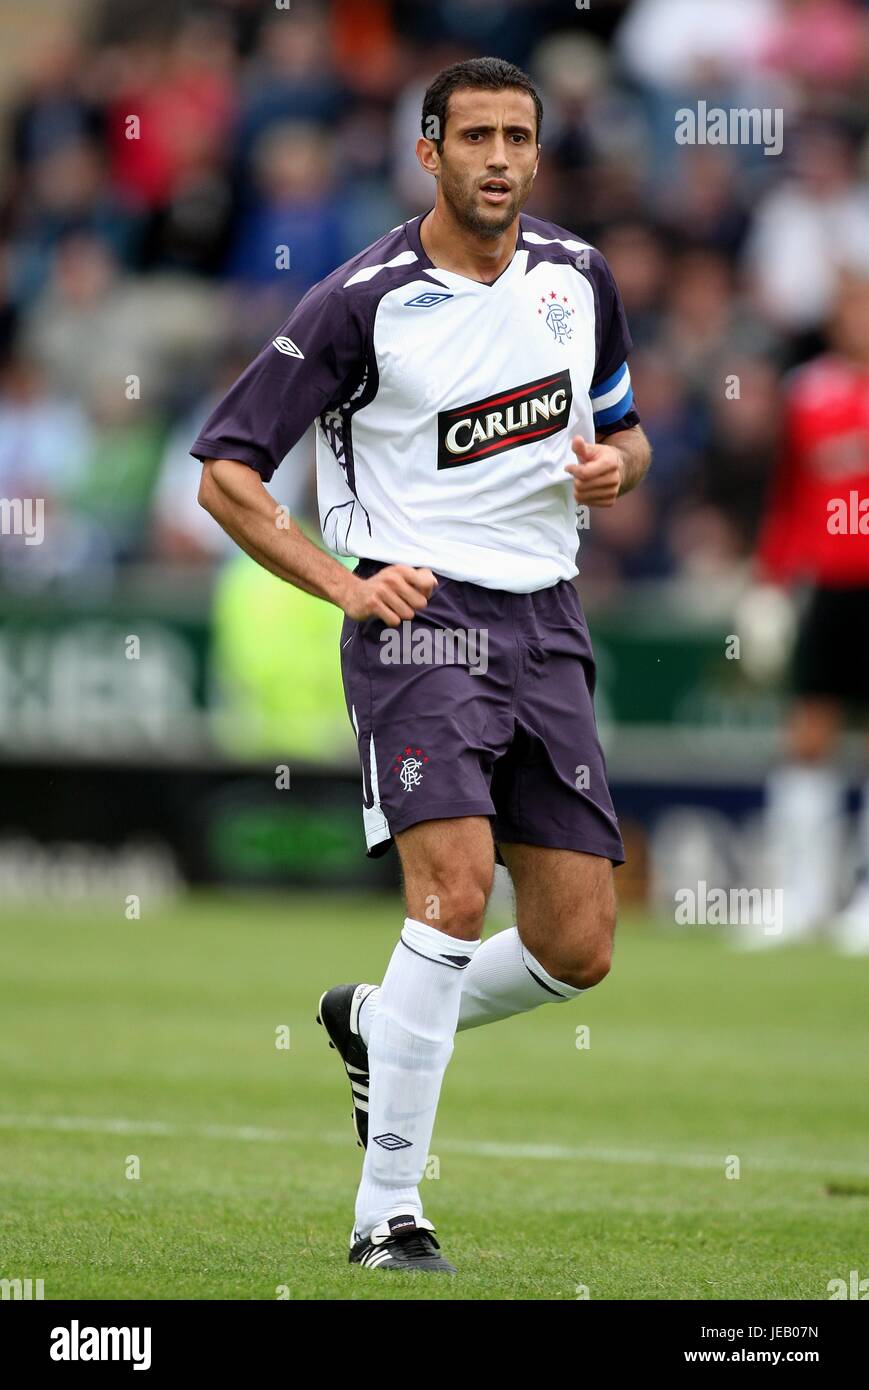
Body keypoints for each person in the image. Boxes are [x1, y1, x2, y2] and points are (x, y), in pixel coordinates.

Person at [191, 56, 651, 1274]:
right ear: (427, 152)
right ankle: (385, 1211)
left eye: (518, 136)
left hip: (547, 620)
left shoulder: (577, 278)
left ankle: (377, 1021)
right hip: (419, 621)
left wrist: (621, 467)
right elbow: (228, 473)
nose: (498, 157)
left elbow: (626, 424)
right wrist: (346, 586)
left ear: (539, 154)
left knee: (577, 945)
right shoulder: (359, 298)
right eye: (475, 136)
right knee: (450, 894)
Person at [754, 268, 869, 953]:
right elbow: (788, 498)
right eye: (846, 307)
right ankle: (798, 900)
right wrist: (768, 582)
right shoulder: (808, 393)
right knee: (806, 740)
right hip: (828, 588)